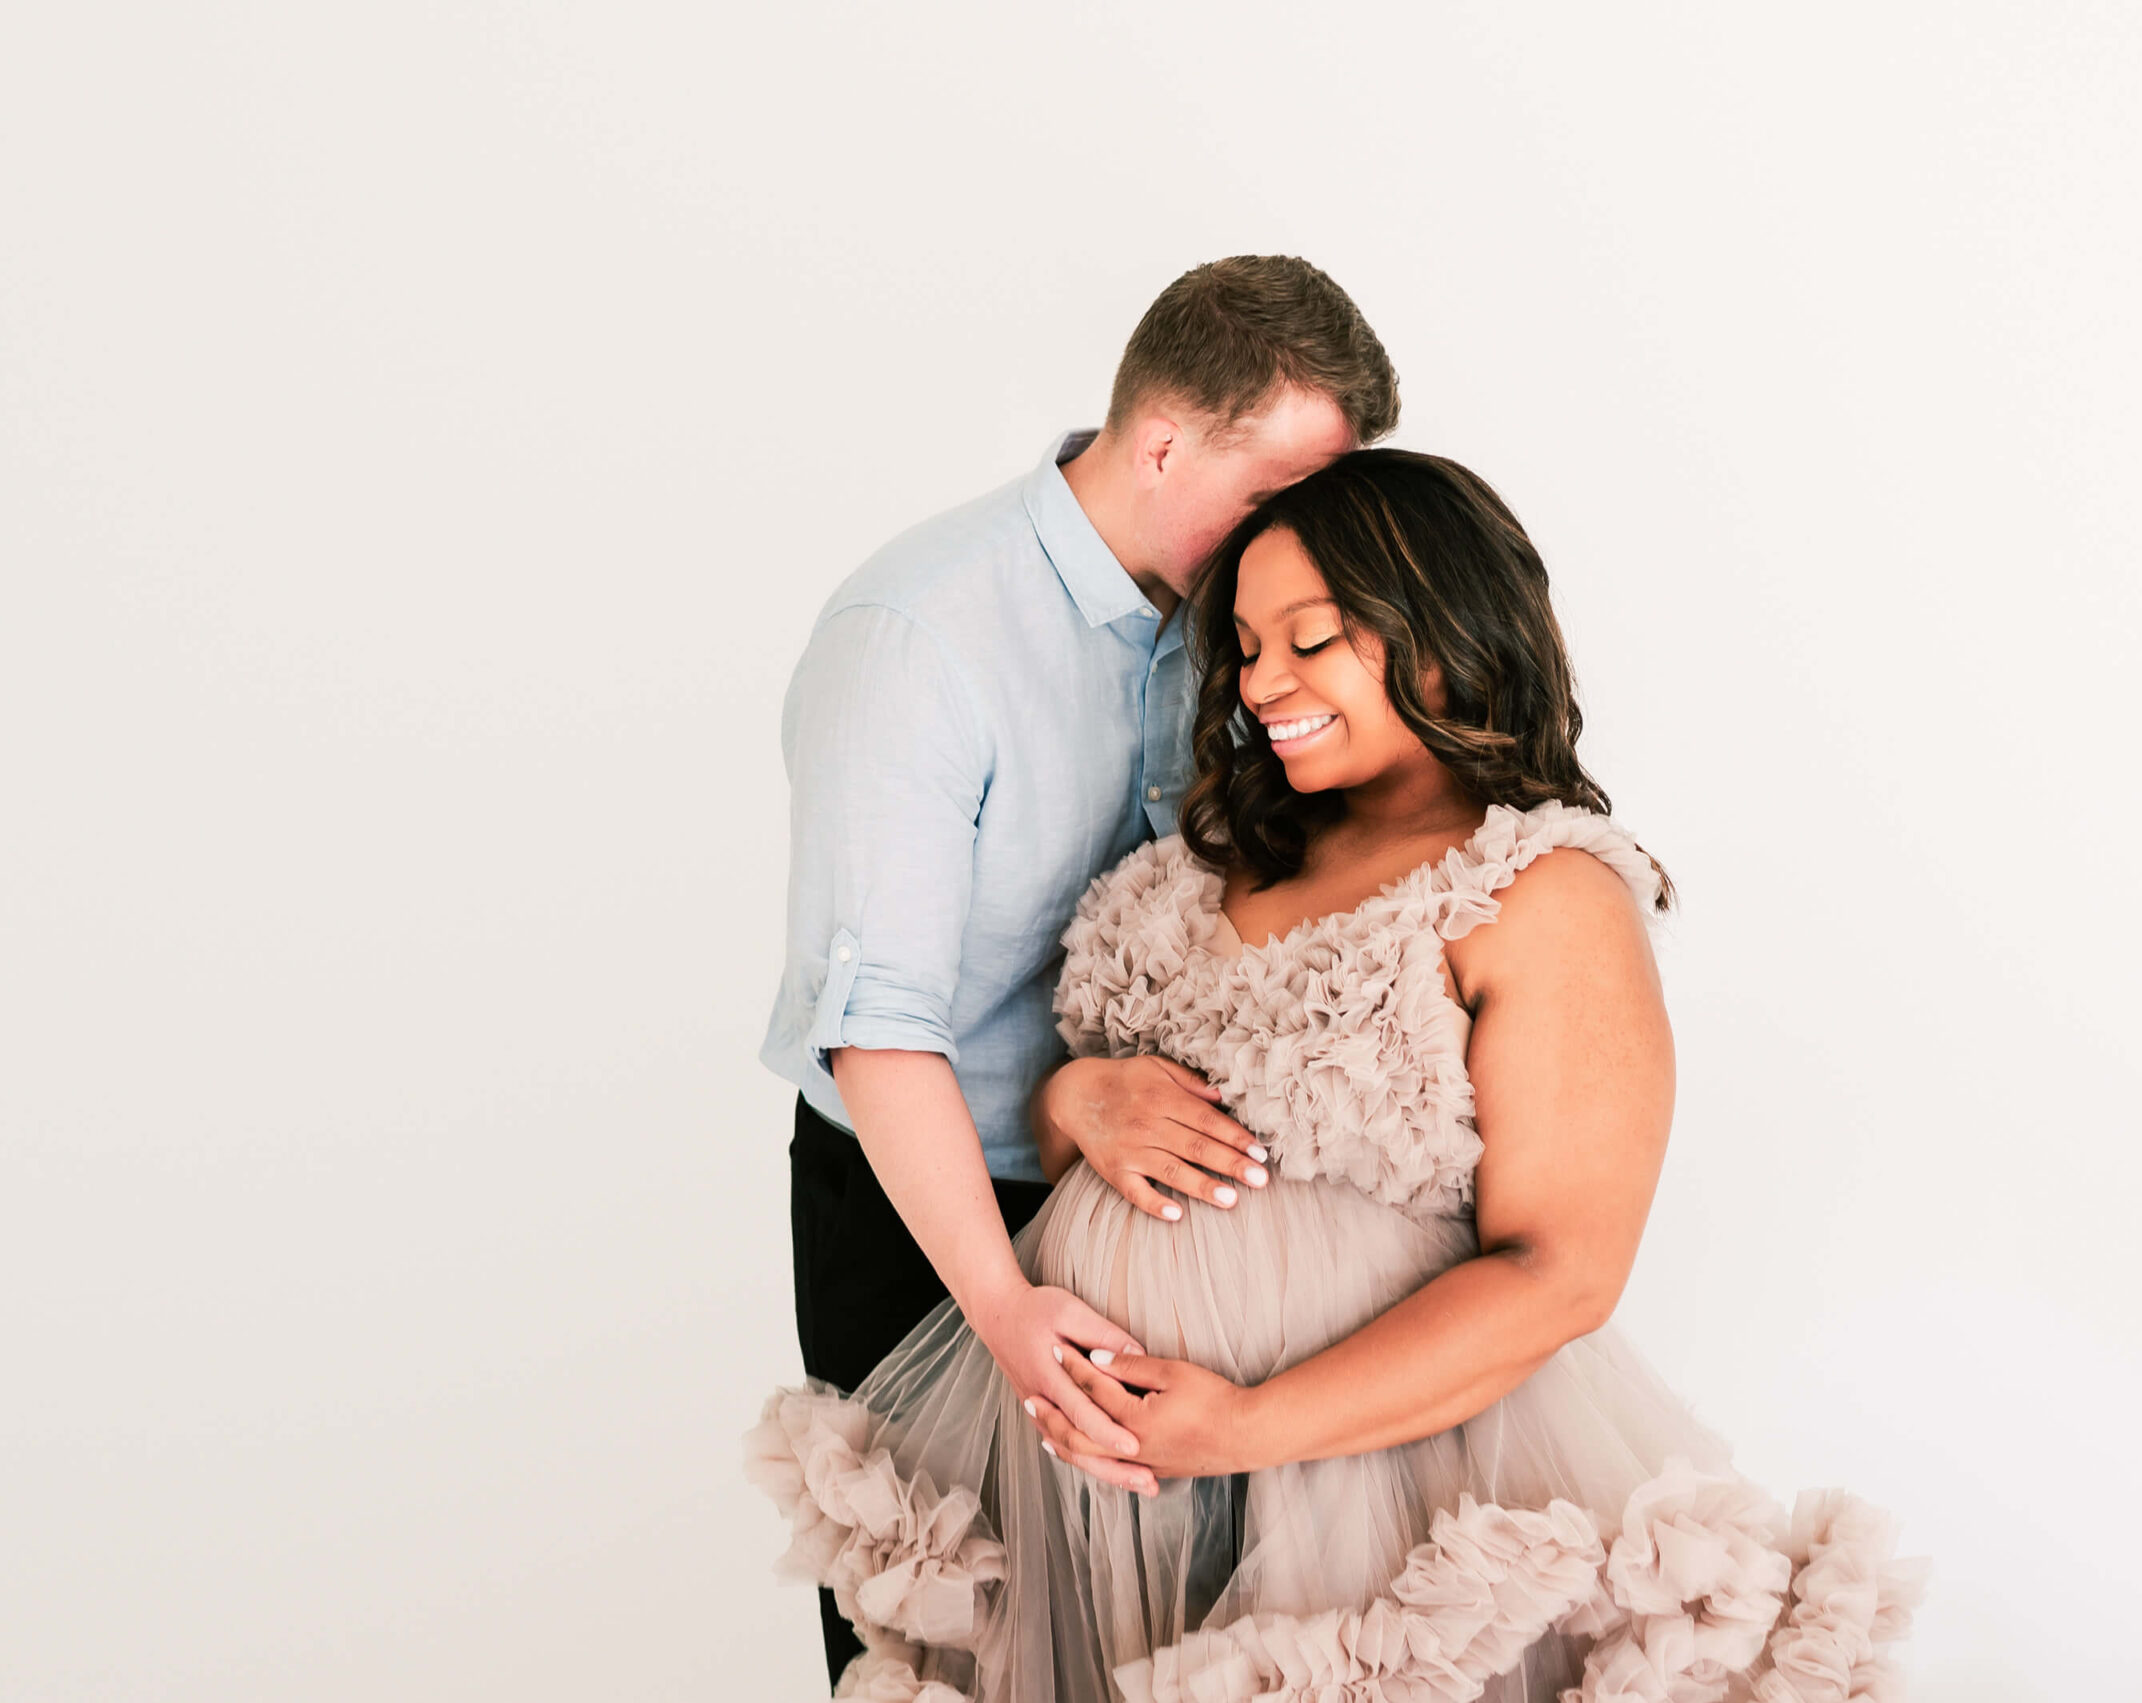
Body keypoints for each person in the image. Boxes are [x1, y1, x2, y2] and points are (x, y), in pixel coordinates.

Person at [747, 451, 1928, 1702]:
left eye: (1309, 640)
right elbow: (1090, 1132)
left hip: (1358, 1476)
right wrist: (1075, 1100)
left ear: (1442, 630)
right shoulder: (1210, 853)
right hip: (1093, 1487)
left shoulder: (1541, 890)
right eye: (1246, 646)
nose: (1261, 685)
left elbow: (1562, 1272)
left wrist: (1244, 1428)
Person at [759, 255, 1401, 1682]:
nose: (1300, 541)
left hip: (1191, 1214)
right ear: (1164, 440)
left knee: (1171, 1653)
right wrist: (1005, 1306)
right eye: (1276, 495)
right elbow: (882, 1033)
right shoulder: (919, 636)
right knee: (948, 1636)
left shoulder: (1241, 620)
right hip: (943, 1212)